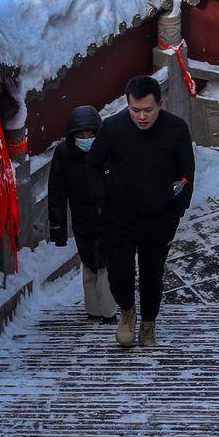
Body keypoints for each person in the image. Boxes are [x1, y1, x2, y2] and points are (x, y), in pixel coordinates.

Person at [87, 75, 193, 350]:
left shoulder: (176, 129)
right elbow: (93, 165)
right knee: (119, 272)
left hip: (159, 217)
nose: (142, 116)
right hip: (119, 215)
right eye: (135, 110)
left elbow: (186, 174)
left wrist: (176, 213)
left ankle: (148, 324)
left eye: (148, 110)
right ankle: (127, 314)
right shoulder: (112, 128)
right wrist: (101, 200)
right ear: (127, 105)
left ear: (160, 104)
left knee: (151, 273)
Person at [48, 105, 117, 323]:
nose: (86, 139)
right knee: (89, 263)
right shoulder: (63, 154)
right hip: (81, 217)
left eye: (91, 134)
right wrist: (57, 230)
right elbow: (56, 193)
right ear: (72, 135)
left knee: (106, 264)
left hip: (108, 215)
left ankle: (109, 311)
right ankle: (94, 309)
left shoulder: (109, 149)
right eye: (81, 135)